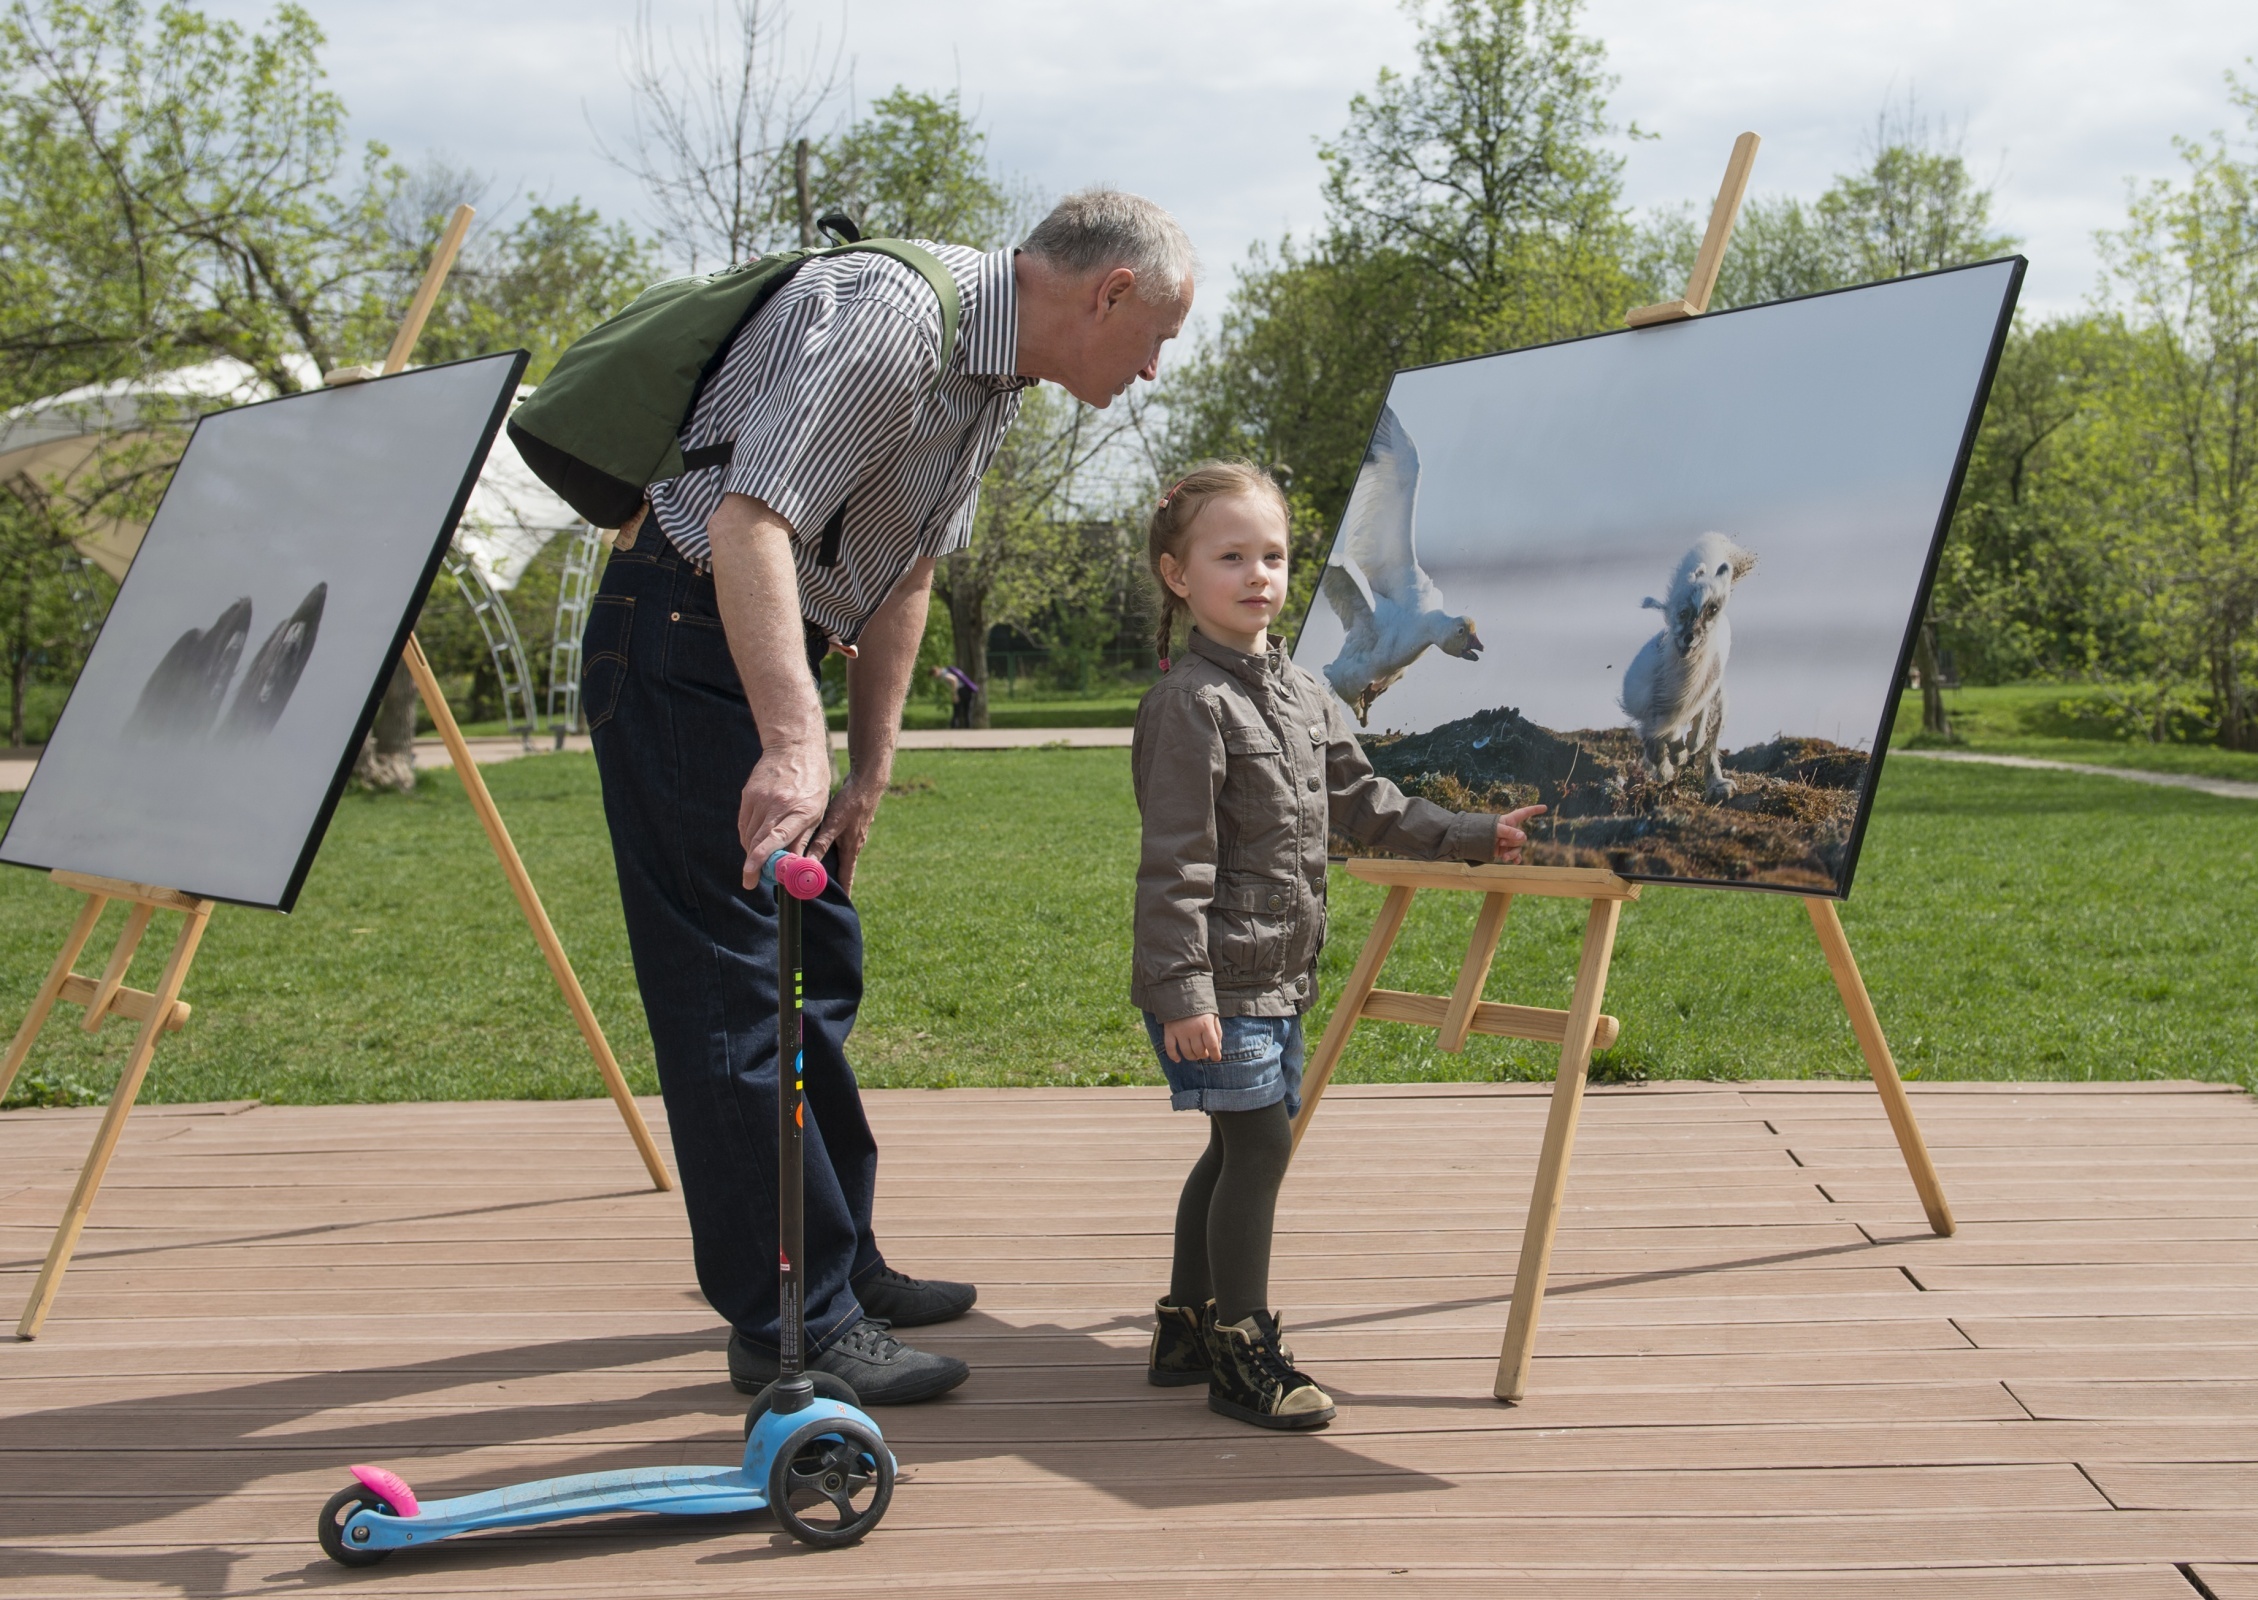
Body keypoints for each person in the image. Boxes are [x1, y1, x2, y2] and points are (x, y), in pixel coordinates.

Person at [584, 190, 1197, 1404]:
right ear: (1108, 293)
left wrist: (866, 770)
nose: (1153, 371)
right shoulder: (888, 316)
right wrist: (790, 742)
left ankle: (839, 1266)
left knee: (817, 964)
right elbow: (752, 522)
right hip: (680, 641)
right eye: (1157, 340)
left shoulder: (986, 380)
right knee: (737, 987)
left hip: (757, 653)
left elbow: (903, 571)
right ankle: (788, 1324)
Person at [1129, 461, 1545, 1430]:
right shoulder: (1189, 704)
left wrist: (1474, 834)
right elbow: (1174, 864)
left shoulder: (1305, 693)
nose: (1259, 575)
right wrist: (1182, 990)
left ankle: (1184, 1327)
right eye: (1229, 556)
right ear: (1177, 576)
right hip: (1218, 981)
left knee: (1231, 1148)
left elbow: (1366, 806)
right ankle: (1240, 1348)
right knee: (1258, 1146)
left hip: (1276, 975)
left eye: (1271, 555)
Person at [932, 662, 979, 728]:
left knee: (957, 710)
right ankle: (967, 727)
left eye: (934, 676)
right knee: (967, 710)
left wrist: (954, 694)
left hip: (961, 690)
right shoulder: (948, 670)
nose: (935, 678)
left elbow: (954, 680)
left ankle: (954, 727)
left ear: (936, 672)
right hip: (966, 690)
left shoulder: (944, 674)